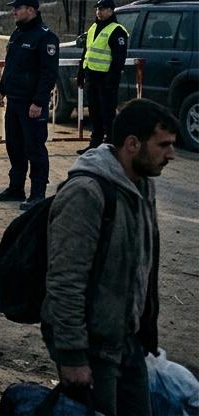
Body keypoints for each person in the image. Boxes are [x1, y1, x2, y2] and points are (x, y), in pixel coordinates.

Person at [42, 99, 173, 416]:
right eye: (163, 145)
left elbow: (143, 268)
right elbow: (65, 281)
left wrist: (145, 333)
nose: (171, 155)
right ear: (132, 144)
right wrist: (72, 356)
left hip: (128, 342)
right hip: (93, 348)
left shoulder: (142, 186)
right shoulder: (86, 193)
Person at [0, 0, 60, 209]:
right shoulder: (18, 34)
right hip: (14, 100)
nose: (14, 11)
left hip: (31, 104)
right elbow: (11, 64)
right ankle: (16, 188)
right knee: (15, 147)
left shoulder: (45, 37)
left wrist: (39, 102)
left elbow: (48, 74)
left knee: (35, 148)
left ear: (31, 10)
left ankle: (38, 194)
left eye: (18, 8)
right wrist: (2, 88)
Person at [75, 0, 129, 152]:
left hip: (106, 79)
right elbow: (87, 51)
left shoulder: (117, 30)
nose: (99, 12)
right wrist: (81, 73)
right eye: (98, 9)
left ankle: (110, 145)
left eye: (103, 9)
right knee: (94, 112)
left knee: (107, 113)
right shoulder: (93, 27)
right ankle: (95, 144)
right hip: (92, 76)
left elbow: (119, 59)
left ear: (111, 11)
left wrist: (112, 79)